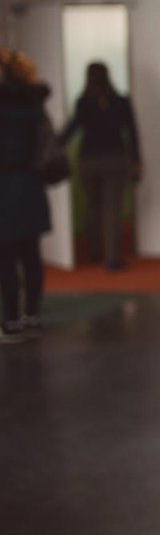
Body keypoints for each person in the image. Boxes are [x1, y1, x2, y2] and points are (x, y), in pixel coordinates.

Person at [59, 61, 142, 271]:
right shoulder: (120, 102)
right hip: (114, 157)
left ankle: (95, 252)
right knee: (111, 208)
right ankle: (112, 258)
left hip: (88, 159)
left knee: (93, 206)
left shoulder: (83, 102)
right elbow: (132, 132)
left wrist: (51, 144)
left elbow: (72, 128)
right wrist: (136, 159)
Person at [0, 48, 52, 341]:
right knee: (31, 253)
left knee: (5, 255)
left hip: (4, 184)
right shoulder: (35, 103)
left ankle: (10, 318)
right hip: (31, 182)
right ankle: (31, 313)